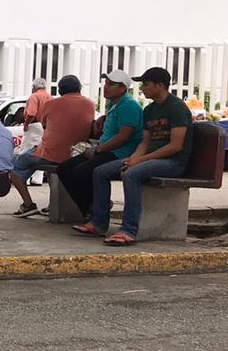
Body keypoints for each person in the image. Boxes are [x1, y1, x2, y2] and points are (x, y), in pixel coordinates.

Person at [75, 67, 193, 245]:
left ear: (160, 85)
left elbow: (175, 146)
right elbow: (144, 142)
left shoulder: (177, 108)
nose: (142, 88)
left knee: (131, 174)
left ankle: (128, 230)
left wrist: (139, 161)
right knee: (100, 172)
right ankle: (98, 224)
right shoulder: (149, 110)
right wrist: (133, 159)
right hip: (150, 158)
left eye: (146, 84)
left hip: (173, 162)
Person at [57, 70, 142, 219]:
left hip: (120, 152)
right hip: (105, 149)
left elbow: (124, 136)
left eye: (111, 84)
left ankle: (97, 210)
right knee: (64, 169)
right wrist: (102, 118)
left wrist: (99, 149)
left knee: (82, 171)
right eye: (105, 83)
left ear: (123, 88)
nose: (106, 87)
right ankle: (91, 207)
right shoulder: (114, 104)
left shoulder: (129, 105)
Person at [10, 74, 95, 216]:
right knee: (51, 169)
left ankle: (28, 204)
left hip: (51, 153)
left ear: (61, 90)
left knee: (15, 165)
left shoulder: (50, 104)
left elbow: (44, 124)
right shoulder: (90, 104)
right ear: (79, 88)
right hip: (78, 154)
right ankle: (51, 204)